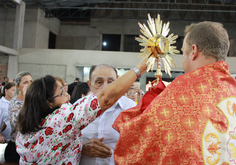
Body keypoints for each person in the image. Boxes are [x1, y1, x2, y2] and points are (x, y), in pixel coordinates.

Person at [112, 21, 236, 164]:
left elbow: (139, 138)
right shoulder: (232, 88)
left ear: (194, 51)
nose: (183, 57)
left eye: (183, 52)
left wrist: (145, 107)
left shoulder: (180, 92)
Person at [15, 60, 147, 164]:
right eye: (62, 92)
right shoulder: (62, 119)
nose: (68, 96)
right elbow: (105, 98)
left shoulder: (24, 130)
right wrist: (139, 69)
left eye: (111, 82)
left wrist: (79, 147)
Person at [78, 64, 136, 165]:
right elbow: (63, 142)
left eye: (111, 82)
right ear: (90, 84)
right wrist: (80, 148)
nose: (106, 86)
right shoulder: (79, 107)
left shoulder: (130, 108)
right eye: (99, 82)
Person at [4, 71, 33, 163]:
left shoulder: (35, 101)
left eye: (31, 81)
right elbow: (18, 125)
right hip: (16, 149)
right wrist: (25, 99)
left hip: (32, 149)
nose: (29, 85)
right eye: (25, 82)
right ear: (18, 87)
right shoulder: (14, 102)